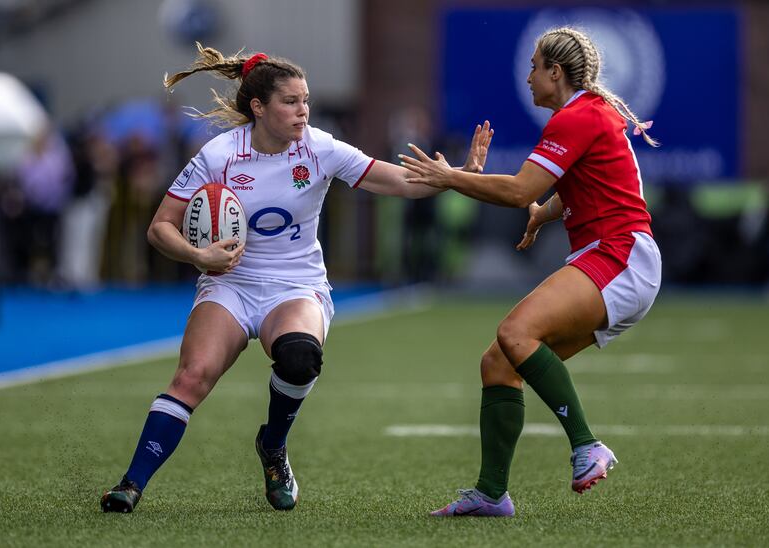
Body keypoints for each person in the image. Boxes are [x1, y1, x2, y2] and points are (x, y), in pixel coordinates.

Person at [100, 44, 493, 513]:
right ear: (259, 107)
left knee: (300, 357)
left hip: (296, 285)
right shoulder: (220, 153)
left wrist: (461, 177)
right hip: (230, 284)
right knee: (192, 377)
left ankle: (273, 445)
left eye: (306, 100)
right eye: (291, 101)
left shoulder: (320, 147)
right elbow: (160, 227)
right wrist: (198, 254)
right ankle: (131, 484)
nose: (303, 110)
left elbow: (397, 181)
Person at [401, 26, 662, 517]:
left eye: (535, 67)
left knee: (516, 332)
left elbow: (521, 189)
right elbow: (577, 182)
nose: (528, 77)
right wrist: (545, 214)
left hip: (619, 255)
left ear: (555, 72)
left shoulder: (576, 117)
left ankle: (586, 446)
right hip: (618, 257)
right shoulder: (587, 113)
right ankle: (491, 494)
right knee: (499, 363)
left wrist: (451, 177)